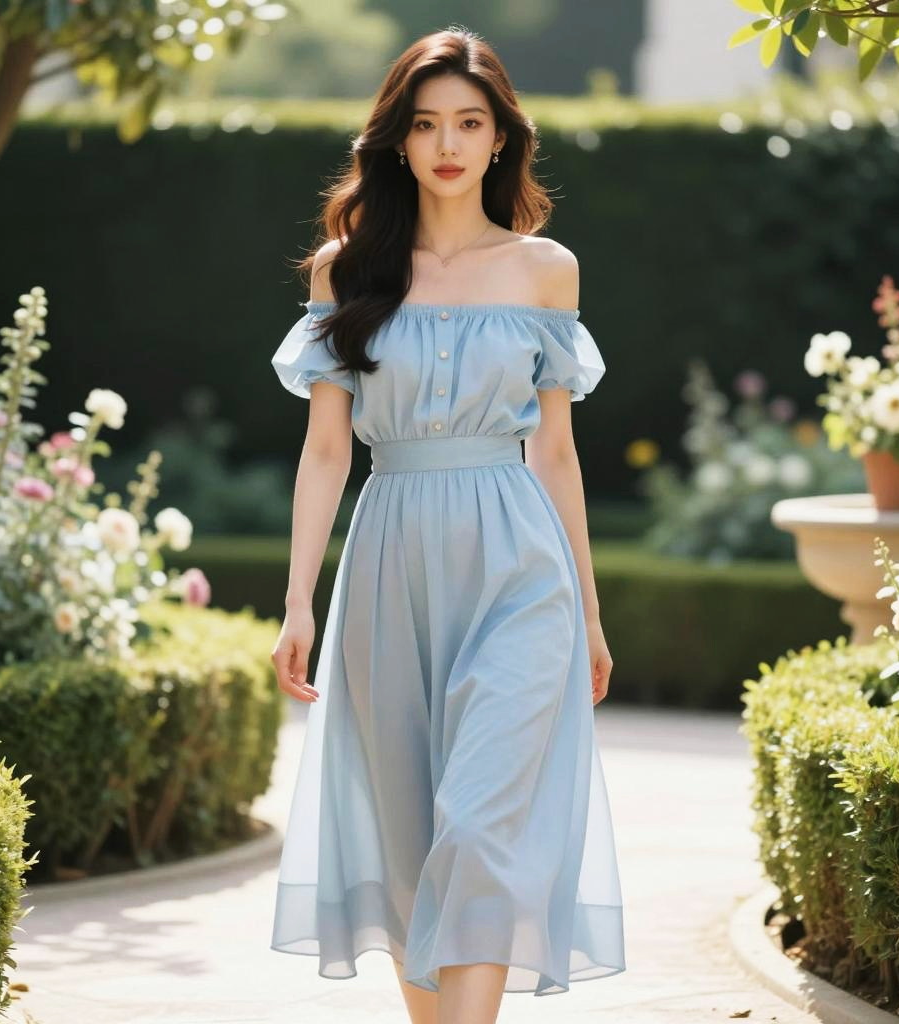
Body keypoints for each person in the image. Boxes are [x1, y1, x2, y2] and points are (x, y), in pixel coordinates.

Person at [268, 25, 626, 1024]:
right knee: (410, 840)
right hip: (389, 559)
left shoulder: (546, 271)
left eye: (469, 121)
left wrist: (590, 616)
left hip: (520, 564)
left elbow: (555, 453)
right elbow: (327, 450)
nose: (448, 143)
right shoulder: (347, 271)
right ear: (397, 141)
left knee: (479, 823)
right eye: (425, 124)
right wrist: (298, 600)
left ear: (501, 137)